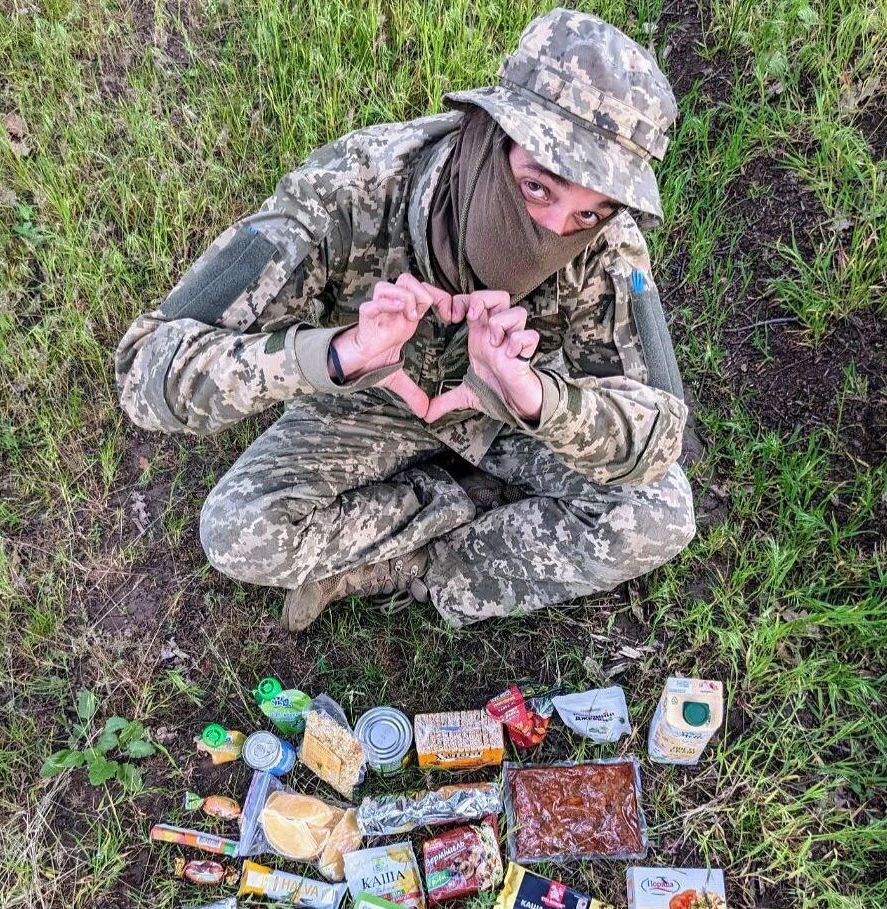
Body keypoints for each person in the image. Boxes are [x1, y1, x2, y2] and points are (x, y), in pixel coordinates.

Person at [115, 8, 695, 630]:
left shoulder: (609, 246)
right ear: (485, 132)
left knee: (659, 513)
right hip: (370, 398)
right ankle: (467, 499)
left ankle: (422, 566)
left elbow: (661, 431)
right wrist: (337, 355)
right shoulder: (347, 193)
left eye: (588, 213)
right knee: (240, 530)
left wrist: (536, 400)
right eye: (537, 187)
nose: (554, 232)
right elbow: (147, 367)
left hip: (505, 408)